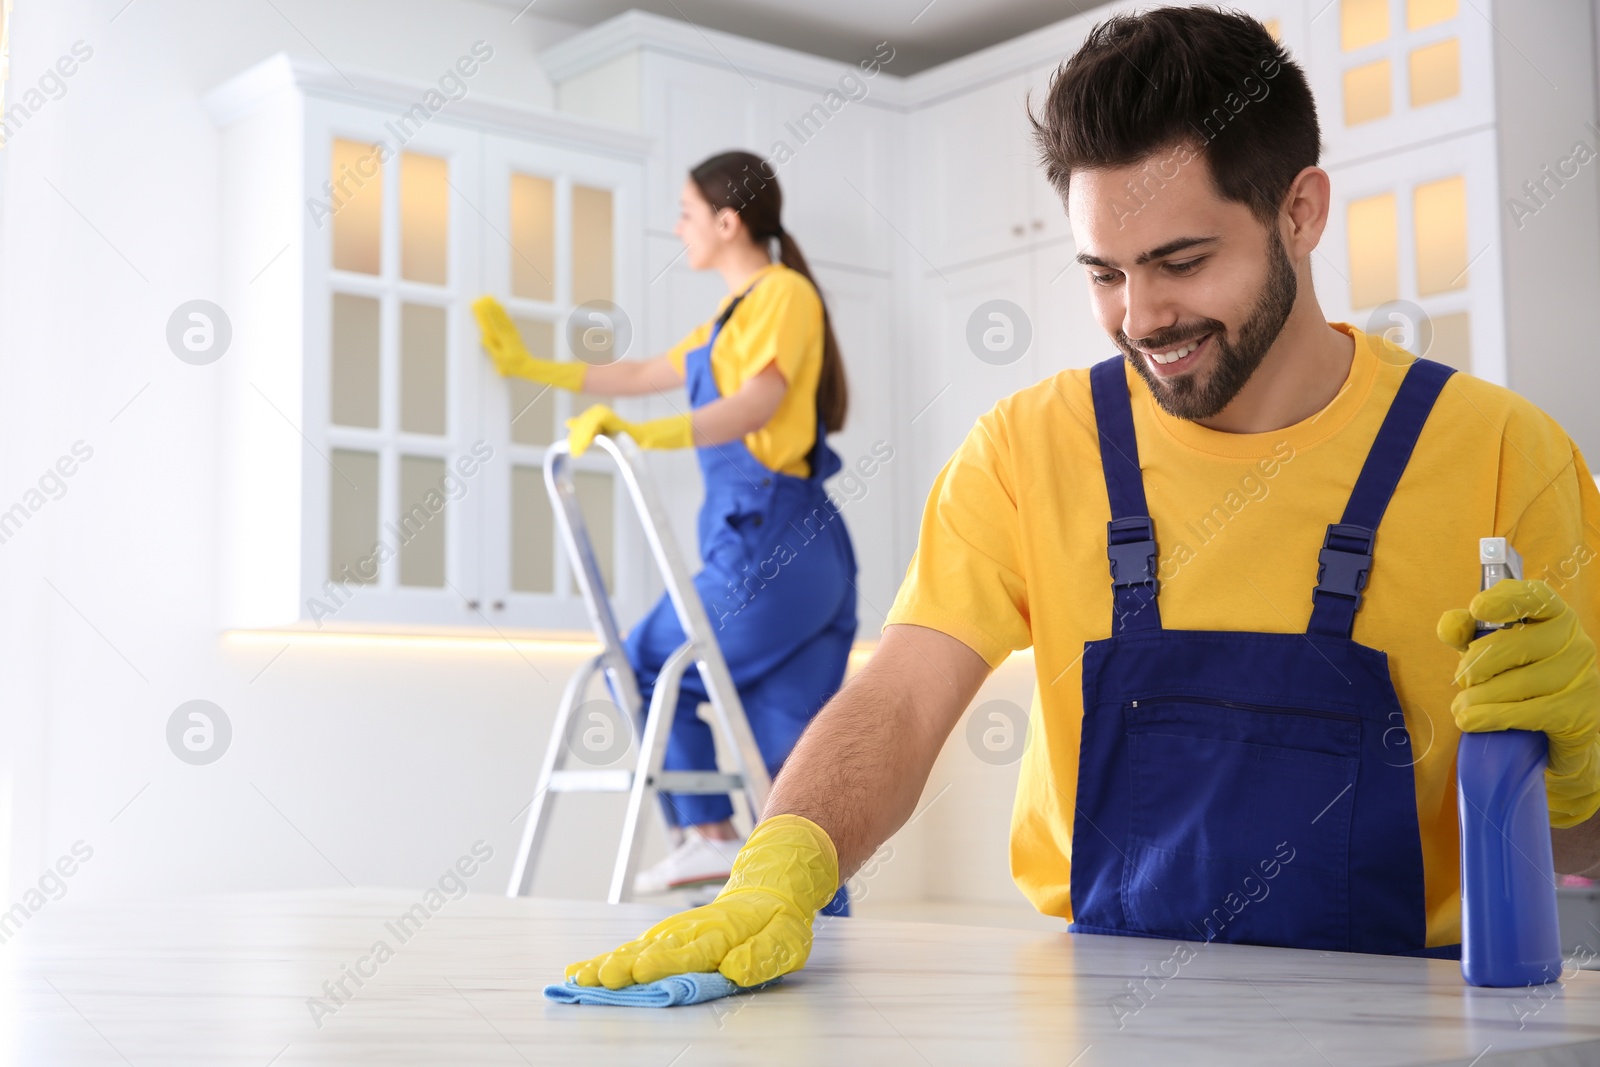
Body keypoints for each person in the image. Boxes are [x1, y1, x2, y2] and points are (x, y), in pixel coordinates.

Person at [562, 7, 1600, 991]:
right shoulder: (1031, 448)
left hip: (1415, 1022)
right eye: (1102, 271)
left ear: (1300, 211)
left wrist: (1583, 777)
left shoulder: (1505, 458)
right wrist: (785, 859)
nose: (1140, 316)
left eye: (1180, 261)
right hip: (1102, 1008)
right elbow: (898, 698)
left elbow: (1577, 843)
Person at [473, 151, 857, 911]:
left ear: (726, 220)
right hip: (795, 552)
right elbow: (641, 373)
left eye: (685, 212)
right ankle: (821, 933)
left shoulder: (783, 295)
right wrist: (527, 365)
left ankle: (707, 834)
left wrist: (644, 439)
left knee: (644, 661)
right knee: (787, 772)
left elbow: (756, 403)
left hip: (771, 539)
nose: (677, 227)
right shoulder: (728, 319)